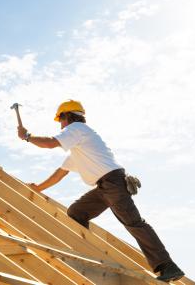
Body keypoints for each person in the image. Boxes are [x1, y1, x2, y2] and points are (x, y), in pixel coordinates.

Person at [18, 99, 185, 283]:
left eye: (60, 120)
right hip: (105, 187)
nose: (60, 125)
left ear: (67, 117)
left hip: (113, 183)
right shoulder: (80, 148)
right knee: (77, 212)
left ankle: (168, 266)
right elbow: (60, 174)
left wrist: (27, 136)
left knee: (134, 223)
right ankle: (88, 251)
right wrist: (38, 188)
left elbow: (50, 143)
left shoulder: (77, 130)